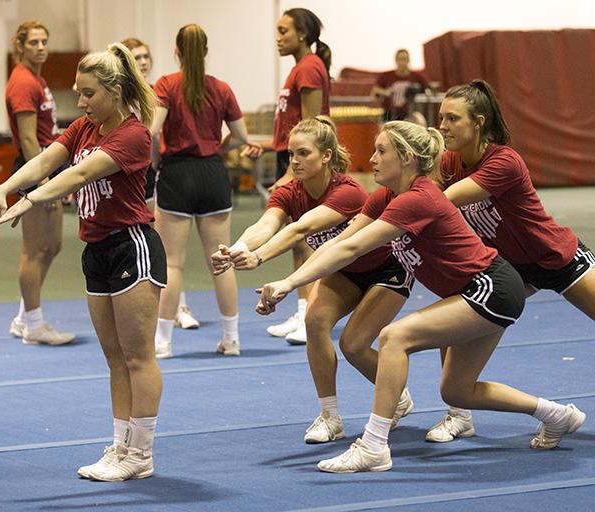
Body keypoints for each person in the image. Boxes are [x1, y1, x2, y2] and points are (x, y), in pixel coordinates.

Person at [257, 121, 586, 473]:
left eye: (381, 151)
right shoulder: (387, 195)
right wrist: (283, 274)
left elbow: (352, 248)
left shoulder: (418, 198)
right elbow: (341, 240)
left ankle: (373, 446)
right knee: (457, 392)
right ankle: (557, 414)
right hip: (474, 292)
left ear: (407, 159)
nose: (372, 159)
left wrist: (289, 284)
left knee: (394, 337)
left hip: (490, 288)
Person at [425, 79, 595, 442]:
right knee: (452, 319)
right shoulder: (450, 163)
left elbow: (437, 202)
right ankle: (459, 414)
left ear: (479, 123)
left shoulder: (503, 161)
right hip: (510, 271)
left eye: (452, 118)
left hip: (559, 258)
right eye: (441, 117)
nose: (442, 125)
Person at [0, 43, 165, 482]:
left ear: (115, 92)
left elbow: (77, 175)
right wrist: (4, 187)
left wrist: (28, 200)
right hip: (96, 249)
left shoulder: (133, 135)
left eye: (89, 94)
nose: (80, 102)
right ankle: (120, 447)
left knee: (138, 357)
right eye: (78, 93)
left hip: (131, 246)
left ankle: (142, 453)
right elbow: (45, 161)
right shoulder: (83, 126)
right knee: (115, 357)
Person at [213, 117, 415, 443]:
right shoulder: (289, 191)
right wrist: (237, 248)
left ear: (326, 156)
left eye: (303, 153)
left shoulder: (347, 192)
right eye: (291, 154)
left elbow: (300, 229)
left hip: (387, 269)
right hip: (345, 270)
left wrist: (260, 258)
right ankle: (330, 416)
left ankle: (396, 394)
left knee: (353, 344)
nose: (293, 161)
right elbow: (267, 225)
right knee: (315, 321)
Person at [150, 24, 249, 358]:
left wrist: (153, 164)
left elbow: (152, 130)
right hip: (212, 173)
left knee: (172, 265)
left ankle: (162, 342)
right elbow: (241, 136)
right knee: (221, 261)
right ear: (206, 52)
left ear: (177, 51)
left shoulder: (166, 84)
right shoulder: (221, 89)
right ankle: (232, 339)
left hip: (177, 173)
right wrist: (217, 148)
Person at [241, 8, 332, 344]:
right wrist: (267, 146)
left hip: (301, 164)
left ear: (303, 34)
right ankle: (303, 311)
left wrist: (293, 173)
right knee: (297, 240)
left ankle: (311, 316)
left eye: (284, 31)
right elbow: (289, 130)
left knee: (307, 239)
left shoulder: (309, 67)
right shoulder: (299, 67)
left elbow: (313, 127)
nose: (277, 38)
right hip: (290, 158)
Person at [122, 36, 200, 331]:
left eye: (145, 56)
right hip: (124, 177)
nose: (142, 62)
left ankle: (178, 306)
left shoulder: (159, 92)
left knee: (163, 244)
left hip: (153, 175)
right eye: (135, 57)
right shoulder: (118, 95)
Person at [5, 20, 74, 345]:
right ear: (19, 46)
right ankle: (33, 325)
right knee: (34, 251)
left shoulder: (37, 78)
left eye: (44, 41)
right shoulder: (21, 82)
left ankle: (22, 318)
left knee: (53, 246)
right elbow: (30, 139)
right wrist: (44, 181)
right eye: (33, 42)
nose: (41, 47)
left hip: (49, 167)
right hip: (37, 168)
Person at [370, 49, 432, 122]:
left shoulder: (416, 76)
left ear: (408, 60)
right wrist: (385, 92)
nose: (402, 62)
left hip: (409, 114)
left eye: (404, 59)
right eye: (400, 59)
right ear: (396, 60)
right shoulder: (386, 76)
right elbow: (375, 90)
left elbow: (428, 88)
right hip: (389, 114)